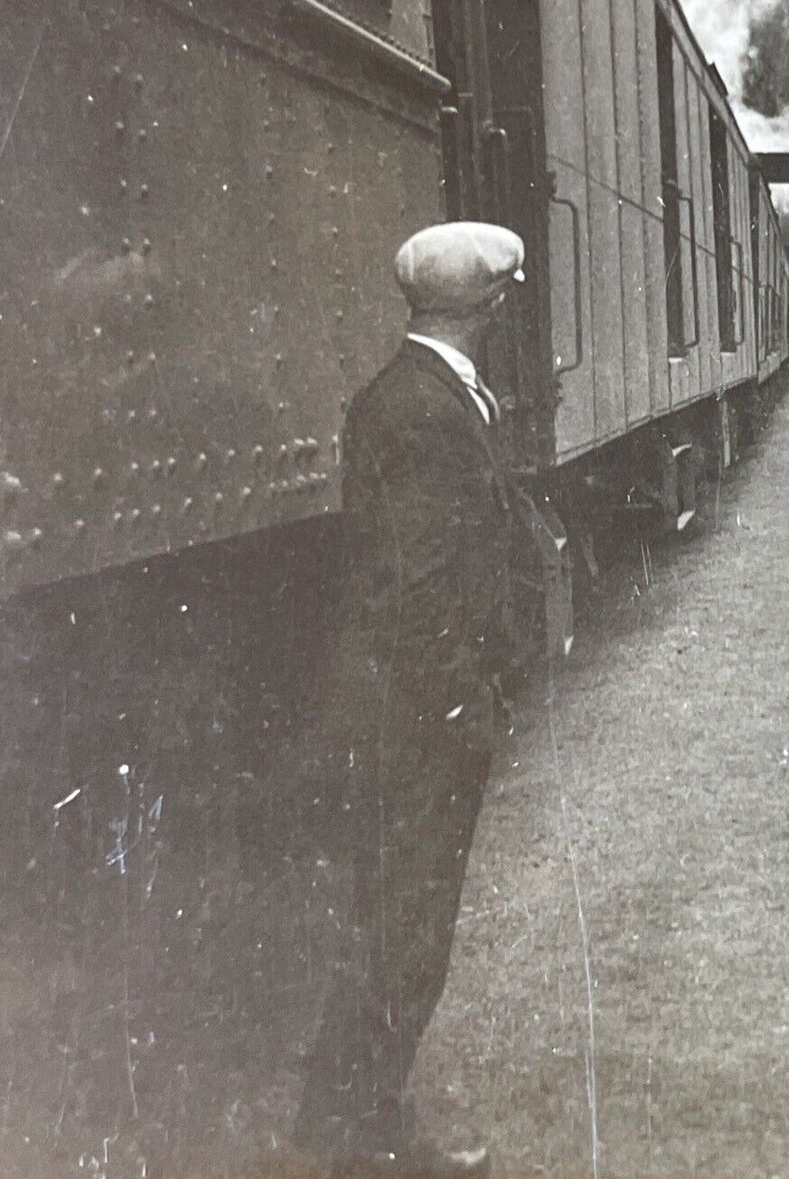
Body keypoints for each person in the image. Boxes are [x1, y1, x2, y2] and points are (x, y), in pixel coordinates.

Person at [294, 221, 528, 1177]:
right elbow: (417, 588)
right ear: (490, 306)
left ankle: (341, 1118)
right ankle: (361, 1133)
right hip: (416, 719)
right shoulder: (427, 411)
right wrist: (465, 707)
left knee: (394, 923)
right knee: (405, 931)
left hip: (400, 709)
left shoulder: (412, 393)